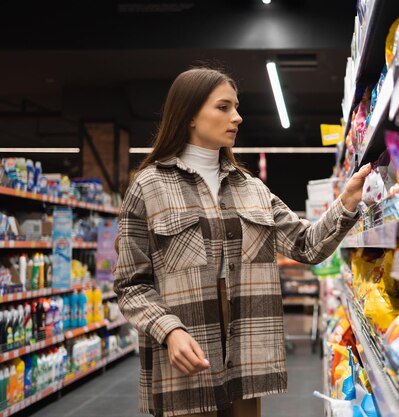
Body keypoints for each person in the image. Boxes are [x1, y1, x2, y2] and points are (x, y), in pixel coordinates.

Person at [114, 67, 371, 417]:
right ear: (189, 115)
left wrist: (348, 201)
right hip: (187, 350)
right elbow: (131, 284)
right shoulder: (148, 187)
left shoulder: (251, 189)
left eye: (236, 106)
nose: (237, 116)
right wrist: (169, 330)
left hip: (246, 349)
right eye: (223, 107)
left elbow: (307, 245)